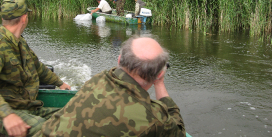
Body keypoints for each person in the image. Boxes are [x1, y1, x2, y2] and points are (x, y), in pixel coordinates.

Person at [34, 36, 186, 137]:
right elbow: (179, 131)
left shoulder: (99, 78)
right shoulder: (153, 118)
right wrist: (159, 83)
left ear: (119, 60)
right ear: (159, 74)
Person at [0, 0, 71, 137]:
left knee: (72, 115)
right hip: (1, 116)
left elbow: (39, 68)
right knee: (48, 130)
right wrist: (7, 115)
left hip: (28, 107)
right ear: (24, 18)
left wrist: (60, 83)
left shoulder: (20, 42)